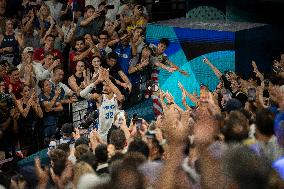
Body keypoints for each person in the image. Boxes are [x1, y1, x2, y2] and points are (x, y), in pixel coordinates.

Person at [16, 85, 43, 156]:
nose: (28, 92)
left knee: (34, 152)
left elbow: (40, 115)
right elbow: (24, 114)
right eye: (25, 91)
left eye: (28, 90)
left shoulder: (32, 102)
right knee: (24, 153)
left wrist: (37, 103)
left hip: (32, 130)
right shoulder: (19, 102)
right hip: (22, 130)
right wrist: (30, 101)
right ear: (21, 93)